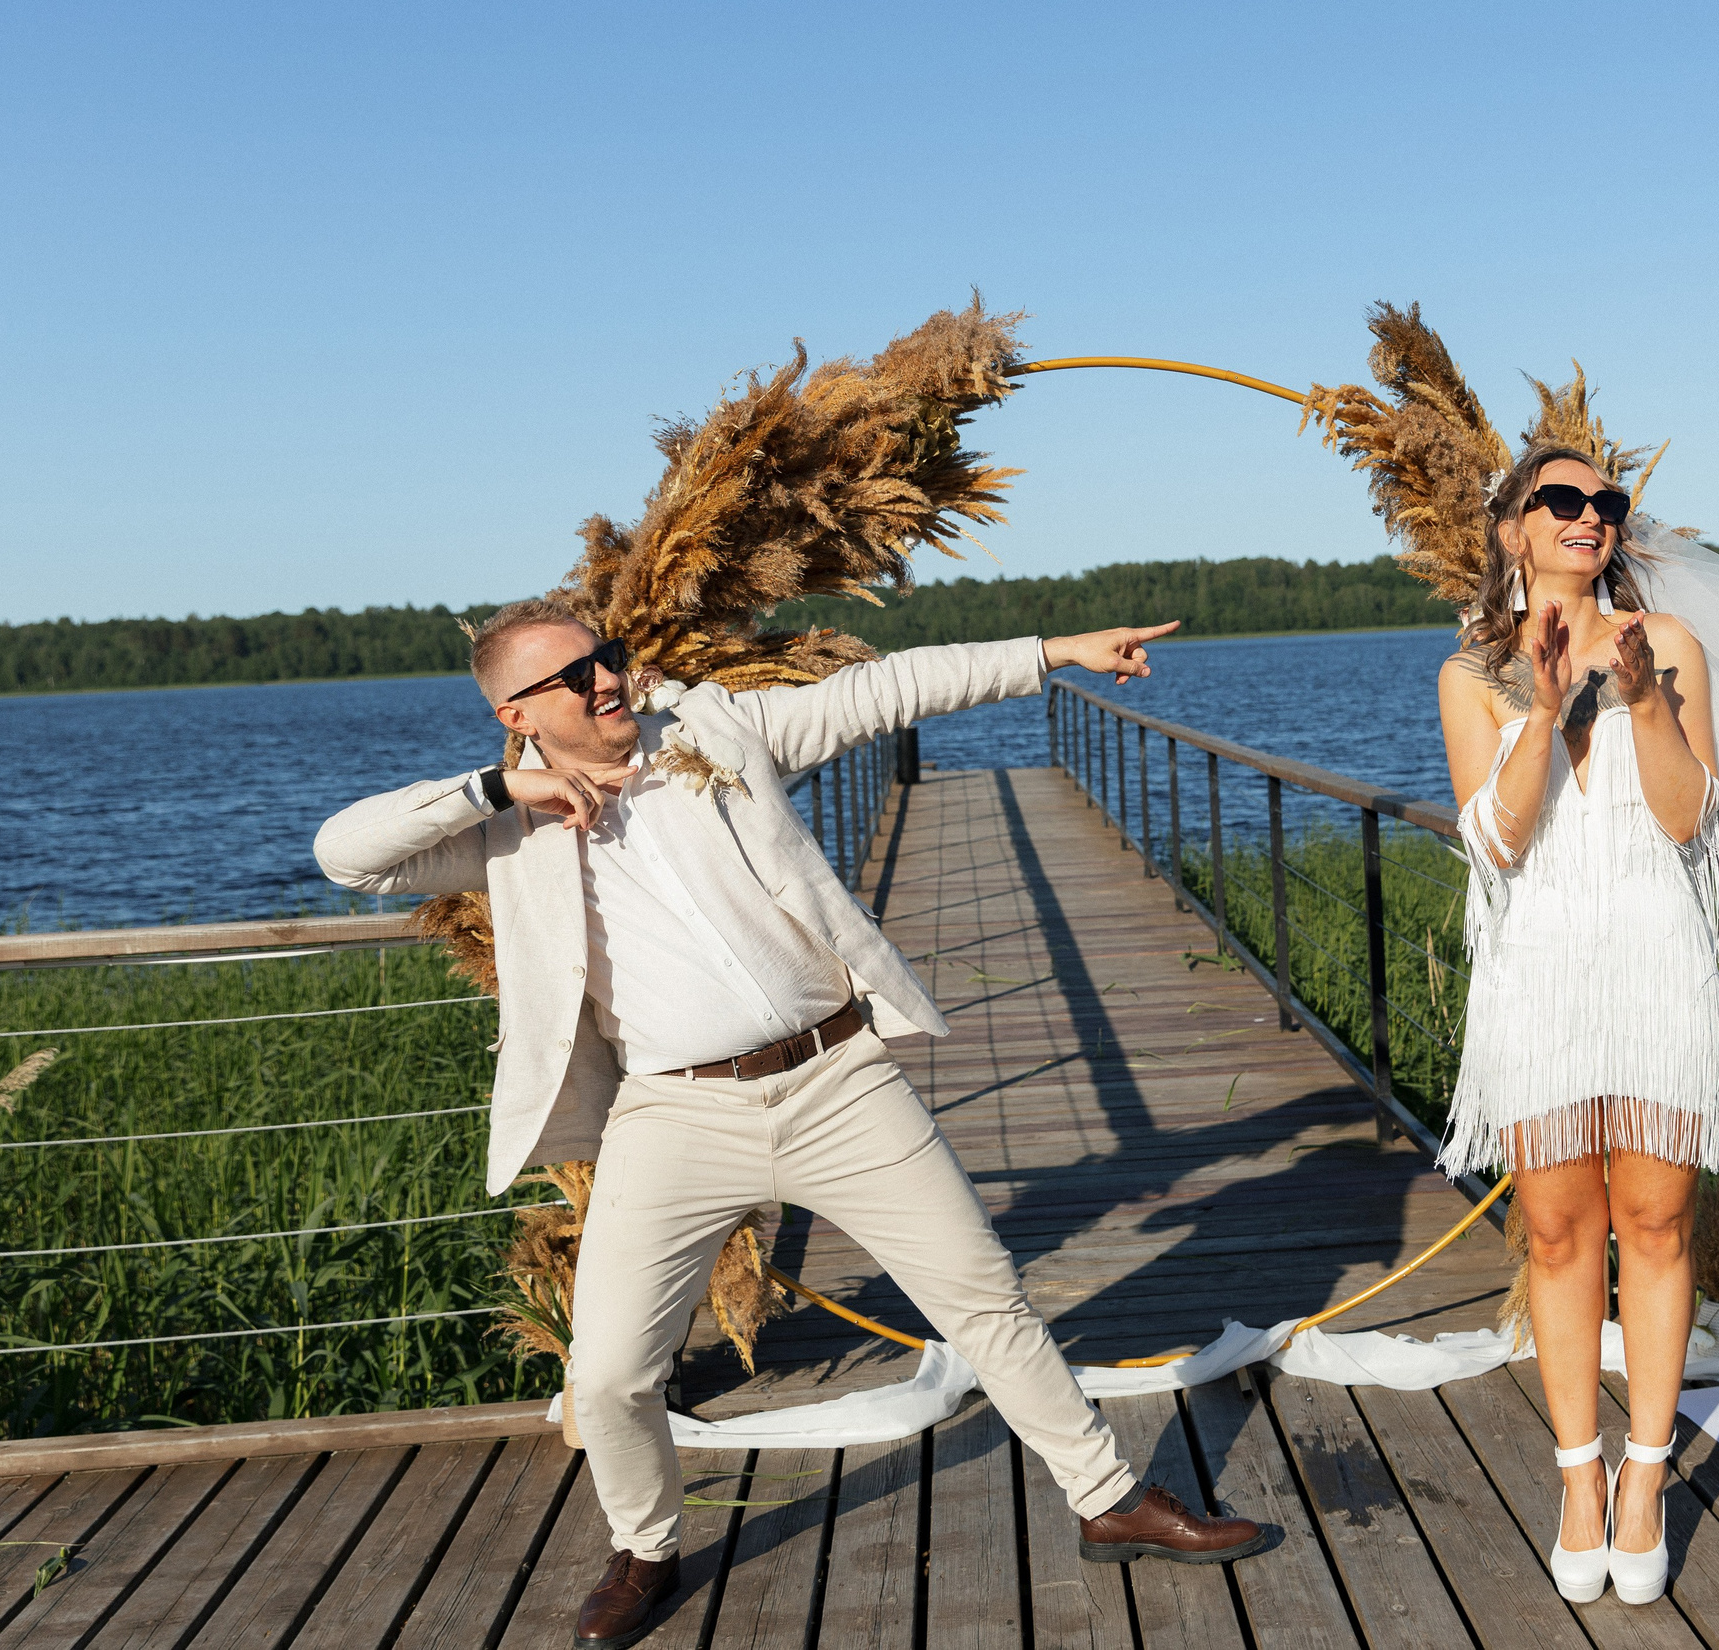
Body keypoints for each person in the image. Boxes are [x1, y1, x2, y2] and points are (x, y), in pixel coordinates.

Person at [315, 604, 1264, 1648]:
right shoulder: (501, 831)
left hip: (837, 1079)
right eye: (573, 676)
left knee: (985, 1301)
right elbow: (346, 853)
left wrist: (1048, 655)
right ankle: (646, 1548)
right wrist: (503, 786)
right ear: (515, 710)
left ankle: (1108, 1499)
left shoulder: (715, 733)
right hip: (673, 1114)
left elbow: (884, 690)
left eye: (607, 658)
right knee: (611, 1371)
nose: (606, 681)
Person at [1435, 445, 1719, 1607]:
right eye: (1559, 500)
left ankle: (1645, 1481)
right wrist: (1544, 711)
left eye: (1604, 503)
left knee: (1655, 1224)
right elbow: (1496, 845)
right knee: (1557, 1234)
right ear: (1512, 528)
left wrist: (1646, 697)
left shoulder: (1670, 645)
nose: (1587, 516)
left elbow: (1684, 818)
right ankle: (1575, 1478)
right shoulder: (1473, 672)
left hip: (1654, 956)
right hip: (1542, 965)